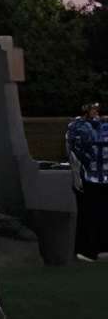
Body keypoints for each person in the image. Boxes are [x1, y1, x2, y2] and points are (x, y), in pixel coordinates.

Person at [68, 101, 108, 260]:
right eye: (92, 109)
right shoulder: (78, 126)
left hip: (98, 177)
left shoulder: (92, 125)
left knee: (97, 214)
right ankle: (90, 250)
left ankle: (96, 249)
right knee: (91, 215)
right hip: (90, 178)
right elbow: (76, 152)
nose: (95, 112)